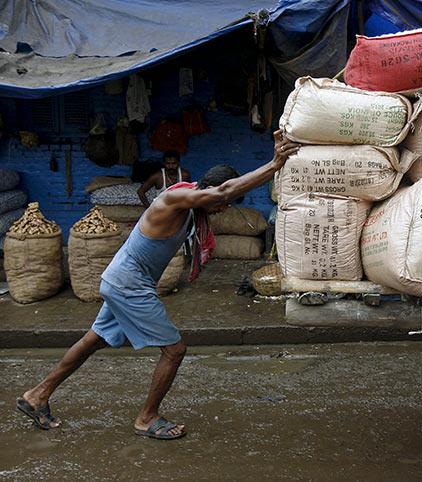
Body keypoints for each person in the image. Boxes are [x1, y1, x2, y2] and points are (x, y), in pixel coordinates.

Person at [16, 130, 300, 440]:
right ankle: (146, 418)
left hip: (124, 281)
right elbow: (224, 193)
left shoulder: (191, 206)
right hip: (129, 284)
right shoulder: (174, 198)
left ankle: (37, 395)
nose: (222, 210)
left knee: (93, 341)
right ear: (210, 191)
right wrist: (274, 165)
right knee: (175, 350)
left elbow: (222, 195)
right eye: (224, 204)